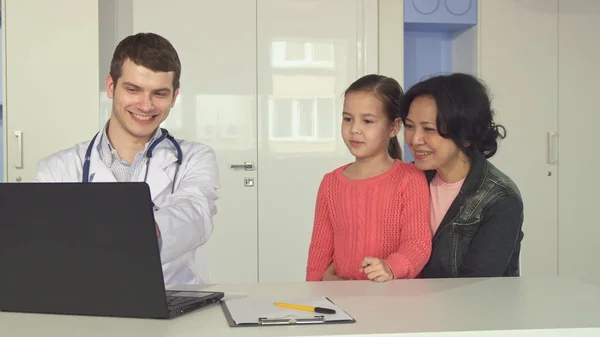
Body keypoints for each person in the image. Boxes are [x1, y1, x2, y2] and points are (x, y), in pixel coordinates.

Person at [34, 32, 219, 285]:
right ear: (111, 87)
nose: (146, 105)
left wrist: (137, 230)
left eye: (159, 93)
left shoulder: (195, 158)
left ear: (174, 97)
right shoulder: (56, 169)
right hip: (88, 301)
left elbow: (196, 213)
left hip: (172, 298)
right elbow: (46, 247)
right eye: (133, 90)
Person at [305, 74, 432, 282]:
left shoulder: (410, 179)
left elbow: (417, 243)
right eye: (348, 119)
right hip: (344, 299)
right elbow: (319, 250)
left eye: (367, 121)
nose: (354, 129)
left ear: (393, 127)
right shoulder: (331, 183)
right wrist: (314, 290)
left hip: (396, 300)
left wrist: (391, 268)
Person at [400, 73, 524, 278]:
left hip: (470, 307)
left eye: (429, 129)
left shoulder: (500, 198)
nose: (414, 139)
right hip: (409, 303)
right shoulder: (407, 178)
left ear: (466, 135)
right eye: (410, 126)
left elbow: (475, 286)